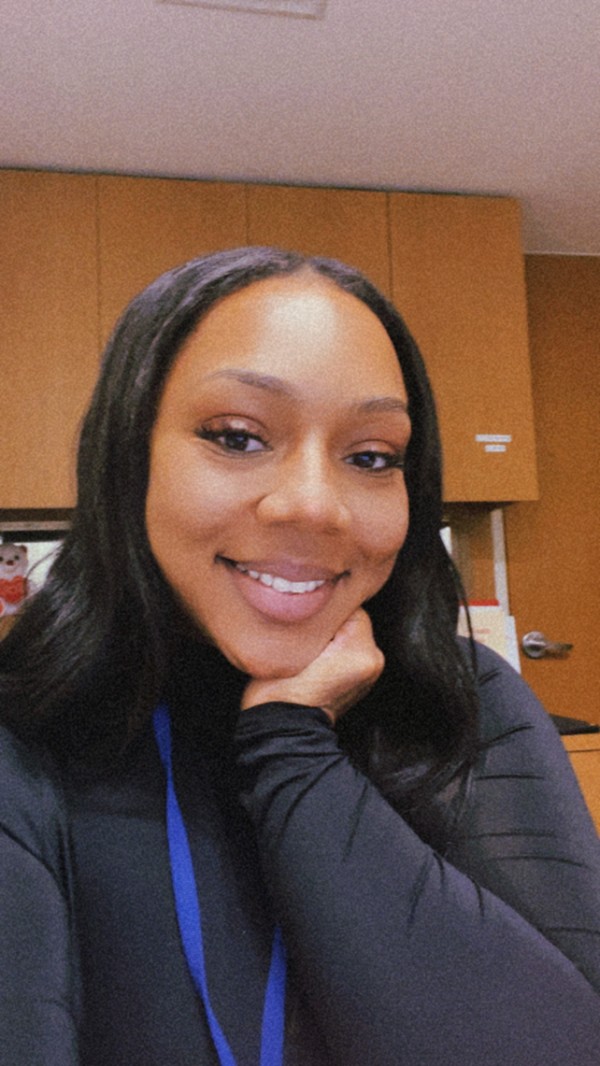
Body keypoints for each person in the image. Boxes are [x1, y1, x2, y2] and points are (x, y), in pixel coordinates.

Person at [0, 246, 598, 1066]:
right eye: (238, 437)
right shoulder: (27, 735)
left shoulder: (465, 700)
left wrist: (291, 746)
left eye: (371, 457)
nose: (316, 506)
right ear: (128, 455)